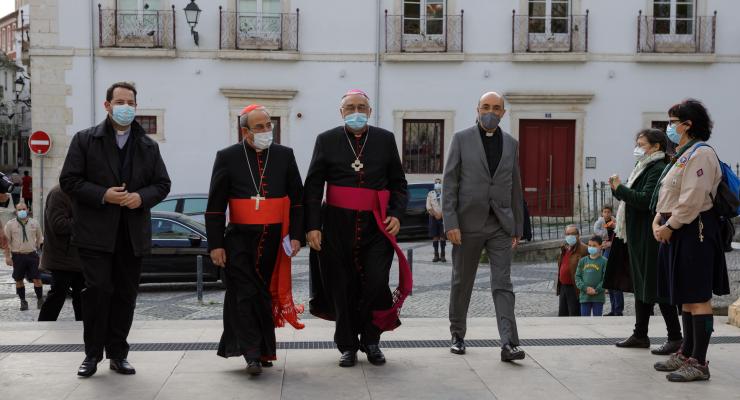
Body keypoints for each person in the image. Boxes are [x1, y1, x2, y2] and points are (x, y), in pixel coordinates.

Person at [60, 82, 171, 377]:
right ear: (107, 105)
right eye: (120, 101)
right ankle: (92, 355)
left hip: (132, 235)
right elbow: (69, 180)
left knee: (125, 294)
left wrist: (141, 198)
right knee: (98, 292)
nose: (126, 107)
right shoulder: (85, 140)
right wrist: (103, 194)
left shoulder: (148, 146)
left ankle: (118, 354)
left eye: (131, 102)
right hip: (95, 234)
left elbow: (162, 184)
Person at [305, 89, 410, 367]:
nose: (356, 112)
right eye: (350, 107)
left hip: (376, 225)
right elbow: (314, 186)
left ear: (370, 111)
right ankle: (348, 345)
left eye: (361, 107)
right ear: (341, 113)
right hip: (336, 226)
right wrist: (313, 225)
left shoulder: (385, 140)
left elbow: (398, 183)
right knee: (342, 287)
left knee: (376, 282)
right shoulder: (326, 140)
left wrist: (397, 214)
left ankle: (372, 340)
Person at [206, 104, 305, 376]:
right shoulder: (227, 157)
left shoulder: (284, 155)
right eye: (259, 127)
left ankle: (264, 351)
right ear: (245, 131)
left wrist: (296, 235)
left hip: (272, 239)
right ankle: (250, 353)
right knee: (244, 292)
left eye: (268, 125)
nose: (266, 131)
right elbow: (215, 205)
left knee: (262, 294)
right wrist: (215, 244)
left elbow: (298, 200)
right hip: (238, 239)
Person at [443, 91, 525, 362]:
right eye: (486, 107)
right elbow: (450, 183)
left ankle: (509, 343)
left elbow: (515, 186)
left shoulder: (512, 144)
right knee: (462, 281)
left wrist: (517, 227)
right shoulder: (461, 139)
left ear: (503, 112)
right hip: (467, 224)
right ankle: (457, 334)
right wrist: (450, 222)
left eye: (496, 108)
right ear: (477, 109)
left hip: (500, 224)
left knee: (503, 284)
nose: (490, 112)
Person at [651, 99, 729, 382]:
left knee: (698, 297)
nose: (670, 127)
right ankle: (687, 351)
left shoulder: (702, 154)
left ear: (688, 124)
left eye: (673, 122)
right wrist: (658, 220)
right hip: (677, 227)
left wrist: (670, 224)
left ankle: (699, 362)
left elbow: (693, 198)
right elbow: (670, 193)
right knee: (685, 297)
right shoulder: (684, 153)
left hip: (694, 229)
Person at [607, 129, 682, 355]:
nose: (638, 148)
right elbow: (632, 198)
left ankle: (675, 337)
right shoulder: (645, 166)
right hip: (636, 235)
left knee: (657, 286)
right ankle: (640, 333)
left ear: (656, 146)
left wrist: (620, 188)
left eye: (642, 144)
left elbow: (644, 200)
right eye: (637, 143)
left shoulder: (657, 168)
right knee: (642, 285)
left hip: (650, 236)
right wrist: (619, 190)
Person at [37, 185, 84, 322]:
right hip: (62, 259)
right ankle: (42, 328)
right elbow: (58, 225)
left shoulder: (79, 192)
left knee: (82, 297)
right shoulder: (59, 193)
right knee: (57, 296)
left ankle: (83, 329)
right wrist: (87, 221)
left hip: (79, 257)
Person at [4, 201, 43, 311]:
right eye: (19, 210)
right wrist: (7, 257)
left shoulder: (34, 223)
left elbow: (40, 240)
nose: (22, 211)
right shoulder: (10, 224)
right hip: (18, 256)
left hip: (32, 255)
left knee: (37, 279)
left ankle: (40, 300)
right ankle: (23, 301)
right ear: (16, 212)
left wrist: (41, 255)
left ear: (28, 209)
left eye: (24, 209)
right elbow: (6, 242)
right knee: (19, 279)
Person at [594, 205, 623, 316]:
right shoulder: (600, 222)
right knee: (609, 279)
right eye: (604, 212)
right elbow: (597, 233)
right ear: (602, 213)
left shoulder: (616, 221)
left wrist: (615, 227)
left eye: (608, 212)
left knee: (616, 281)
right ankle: (613, 308)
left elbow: (620, 235)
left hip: (615, 250)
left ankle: (618, 310)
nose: (606, 214)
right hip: (606, 249)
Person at [556, 225, 589, 317]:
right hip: (563, 286)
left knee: (574, 315)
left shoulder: (584, 249)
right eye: (567, 234)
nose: (569, 236)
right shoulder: (564, 248)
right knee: (563, 314)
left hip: (575, 287)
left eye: (572, 234)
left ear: (578, 235)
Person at [575, 235, 607, 317]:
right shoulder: (583, 261)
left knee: (597, 319)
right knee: (585, 320)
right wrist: (585, 288)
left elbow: (605, 279)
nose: (591, 247)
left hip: (598, 297)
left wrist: (596, 290)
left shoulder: (604, 261)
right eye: (589, 245)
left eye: (594, 246)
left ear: (600, 246)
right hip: (585, 296)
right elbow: (577, 277)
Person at [426, 177, 446, 262]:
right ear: (434, 184)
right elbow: (428, 206)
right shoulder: (431, 194)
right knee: (435, 236)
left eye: (439, 182)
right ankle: (436, 255)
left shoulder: (445, 193)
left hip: (443, 217)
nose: (438, 184)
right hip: (433, 217)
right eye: (436, 182)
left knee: (442, 236)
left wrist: (442, 214)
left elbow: (447, 205)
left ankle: (443, 255)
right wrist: (435, 214)